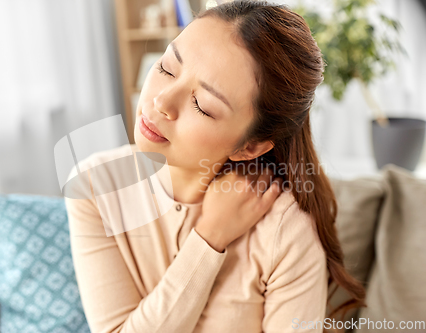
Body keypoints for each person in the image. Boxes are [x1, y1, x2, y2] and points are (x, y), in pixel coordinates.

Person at [65, 1, 367, 332]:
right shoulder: (94, 186)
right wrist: (210, 237)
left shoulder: (284, 229)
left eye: (203, 105)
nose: (161, 102)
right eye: (167, 67)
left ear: (249, 146)